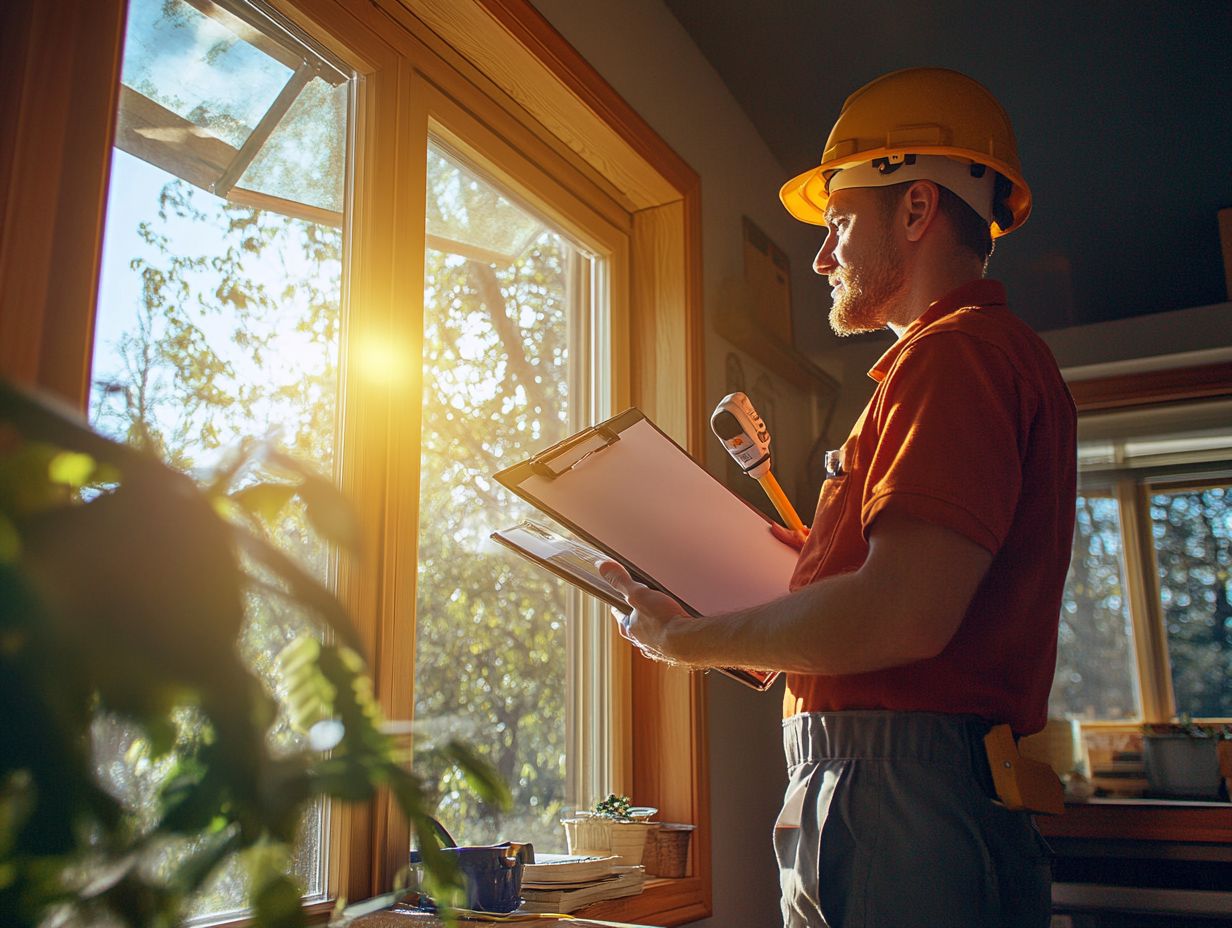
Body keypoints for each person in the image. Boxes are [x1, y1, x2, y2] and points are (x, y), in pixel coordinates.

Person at [598, 67, 1076, 927]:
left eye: (840, 221)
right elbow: (891, 594)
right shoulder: (936, 370)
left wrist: (687, 640)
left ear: (918, 209)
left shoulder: (955, 357)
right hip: (870, 783)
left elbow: (901, 615)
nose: (820, 256)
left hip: (900, 789)